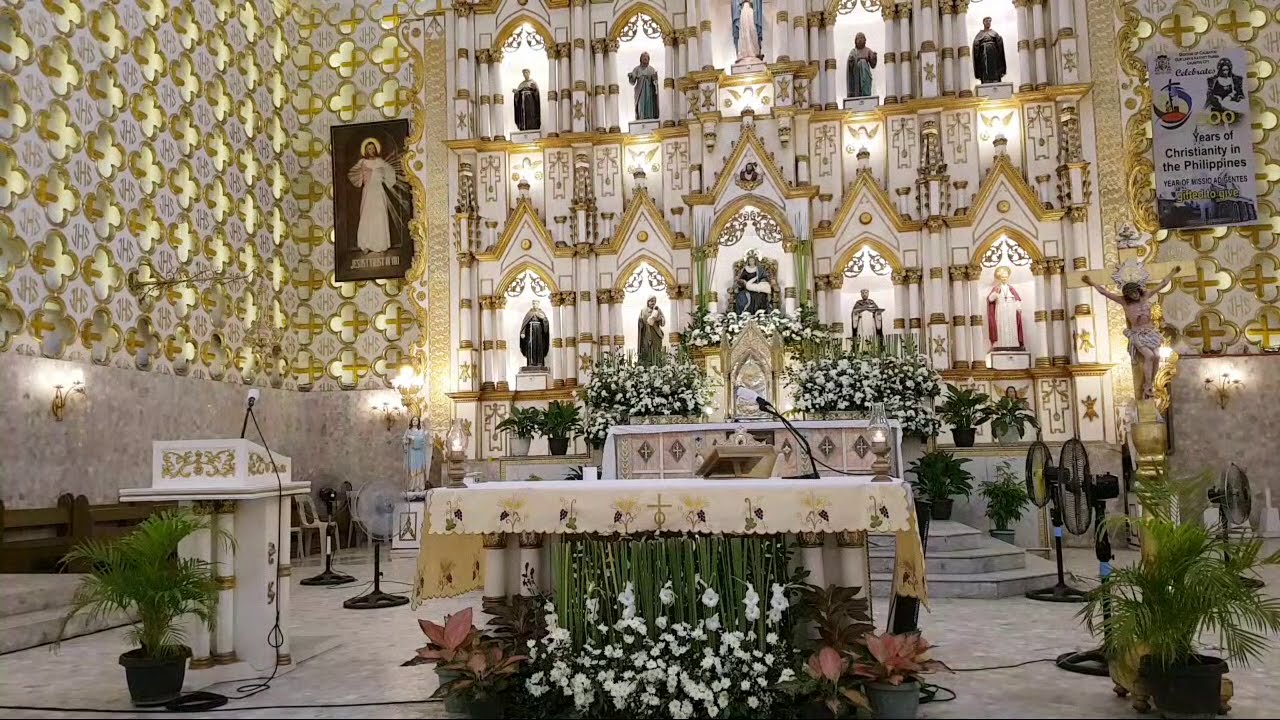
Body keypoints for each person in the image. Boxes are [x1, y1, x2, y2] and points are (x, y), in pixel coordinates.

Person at [1083, 265, 1181, 400]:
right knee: (1149, 356)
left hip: (1151, 332)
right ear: (1127, 295)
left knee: (1157, 356)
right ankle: (1147, 385)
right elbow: (1104, 292)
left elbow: (1162, 283)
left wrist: (1173, 272)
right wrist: (1091, 282)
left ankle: (1149, 384)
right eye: (1130, 294)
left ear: (1138, 291)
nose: (1134, 295)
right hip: (1137, 334)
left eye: (1135, 292)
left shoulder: (1146, 296)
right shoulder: (1124, 302)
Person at [348, 138, 397, 253]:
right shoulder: (362, 162)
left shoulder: (380, 162)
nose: (371, 150)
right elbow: (353, 174)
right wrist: (363, 178)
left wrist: (385, 180)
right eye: (369, 148)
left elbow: (390, 172)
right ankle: (365, 245)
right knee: (367, 216)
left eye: (373, 148)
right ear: (365, 150)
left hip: (379, 192)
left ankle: (381, 245)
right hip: (368, 192)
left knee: (380, 216)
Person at [986, 266, 1024, 350]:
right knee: (1001, 326)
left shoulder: (1011, 288)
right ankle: (1000, 344)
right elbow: (990, 299)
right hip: (1000, 310)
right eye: (1003, 277)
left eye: (1006, 277)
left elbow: (1017, 299)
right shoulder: (996, 288)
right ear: (999, 278)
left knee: (1011, 326)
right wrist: (996, 293)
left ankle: (1014, 344)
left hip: (1011, 310)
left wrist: (1018, 306)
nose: (1004, 279)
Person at [972, 17, 1006, 84]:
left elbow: (999, 44)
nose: (988, 23)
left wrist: (999, 41)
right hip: (983, 55)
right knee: (985, 67)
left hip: (993, 54)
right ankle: (985, 80)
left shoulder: (994, 33)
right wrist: (978, 45)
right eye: (986, 21)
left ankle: (995, 79)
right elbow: (976, 46)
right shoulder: (979, 34)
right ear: (983, 23)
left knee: (994, 66)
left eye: (989, 21)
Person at [628, 52, 660, 121]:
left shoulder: (652, 69)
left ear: (649, 59)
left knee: (649, 105)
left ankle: (650, 118)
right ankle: (640, 117)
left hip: (649, 91)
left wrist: (655, 80)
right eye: (643, 57)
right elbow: (632, 82)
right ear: (641, 59)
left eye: (647, 57)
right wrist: (631, 76)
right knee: (640, 105)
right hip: (640, 91)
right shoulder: (636, 69)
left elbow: (655, 83)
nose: (645, 58)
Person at [519, 300, 551, 369]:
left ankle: (540, 362)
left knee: (539, 345)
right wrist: (523, 332)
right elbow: (525, 323)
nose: (534, 304)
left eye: (536, 303)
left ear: (538, 304)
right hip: (530, 331)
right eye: (533, 303)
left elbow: (546, 323)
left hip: (539, 331)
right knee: (530, 345)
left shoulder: (541, 313)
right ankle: (530, 363)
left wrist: (544, 319)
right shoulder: (529, 313)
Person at [846, 32, 877, 98]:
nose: (860, 40)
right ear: (855, 41)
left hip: (865, 74)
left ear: (865, 40)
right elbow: (850, 62)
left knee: (863, 62)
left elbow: (873, 65)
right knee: (862, 62)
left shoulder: (868, 50)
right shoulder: (853, 51)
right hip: (856, 75)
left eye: (861, 38)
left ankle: (866, 92)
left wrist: (874, 57)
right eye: (858, 38)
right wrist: (853, 60)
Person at [403, 416, 430, 491]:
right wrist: (406, 441)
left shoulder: (421, 431)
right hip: (411, 452)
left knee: (419, 469)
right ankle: (411, 487)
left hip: (419, 452)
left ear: (418, 422)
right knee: (412, 469)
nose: (415, 421)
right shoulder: (408, 430)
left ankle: (419, 487)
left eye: (416, 420)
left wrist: (412, 437)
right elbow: (404, 439)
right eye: (413, 420)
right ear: (411, 421)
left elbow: (423, 441)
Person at [636, 295, 665, 365]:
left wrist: (659, 318)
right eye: (651, 301)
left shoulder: (658, 310)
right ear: (648, 302)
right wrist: (641, 323)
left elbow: (663, 322)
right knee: (647, 350)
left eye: (654, 301)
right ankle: (647, 364)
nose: (653, 303)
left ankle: (657, 364)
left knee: (656, 350)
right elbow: (640, 322)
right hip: (646, 334)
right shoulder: (643, 310)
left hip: (656, 334)